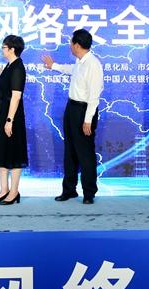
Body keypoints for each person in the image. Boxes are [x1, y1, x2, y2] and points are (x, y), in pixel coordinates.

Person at [42, 28, 104, 205]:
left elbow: (94, 96)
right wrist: (53, 66)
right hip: (72, 109)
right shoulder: (80, 62)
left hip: (84, 111)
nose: (70, 45)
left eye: (71, 42)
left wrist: (88, 120)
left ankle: (89, 193)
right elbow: (71, 70)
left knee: (85, 153)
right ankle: (69, 190)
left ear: (77, 45)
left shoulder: (93, 64)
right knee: (70, 151)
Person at [0, 35, 28, 206]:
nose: (2, 49)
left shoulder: (18, 67)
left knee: (14, 152)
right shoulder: (10, 66)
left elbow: (16, 96)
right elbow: (6, 81)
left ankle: (14, 191)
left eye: (4, 47)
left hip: (12, 115)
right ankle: (4, 190)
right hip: (2, 112)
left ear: (12, 49)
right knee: (1, 151)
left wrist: (9, 120)